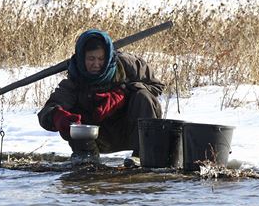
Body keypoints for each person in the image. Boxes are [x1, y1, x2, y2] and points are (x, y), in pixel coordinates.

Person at [38, 29, 164, 166]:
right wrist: (58, 117)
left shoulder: (127, 65)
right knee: (71, 114)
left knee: (143, 96)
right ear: (81, 57)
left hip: (128, 130)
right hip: (96, 137)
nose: (96, 64)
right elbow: (46, 112)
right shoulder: (74, 81)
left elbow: (156, 86)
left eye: (101, 59)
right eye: (91, 59)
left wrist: (122, 94)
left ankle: (142, 155)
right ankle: (86, 157)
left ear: (108, 56)